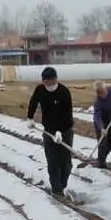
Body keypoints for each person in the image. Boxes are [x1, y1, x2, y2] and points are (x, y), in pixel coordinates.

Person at [25, 66, 75, 195]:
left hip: (65, 131)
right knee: (53, 162)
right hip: (49, 131)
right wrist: (30, 117)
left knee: (66, 164)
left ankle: (63, 185)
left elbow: (67, 113)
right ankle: (57, 191)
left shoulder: (64, 92)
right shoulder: (40, 90)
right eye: (45, 82)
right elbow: (33, 102)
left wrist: (60, 131)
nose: (48, 84)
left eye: (50, 82)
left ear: (55, 80)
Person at [90, 81, 111, 168]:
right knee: (102, 143)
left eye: (104, 92)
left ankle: (101, 159)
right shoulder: (97, 102)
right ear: (98, 94)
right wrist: (101, 128)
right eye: (101, 94)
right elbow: (97, 117)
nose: (104, 95)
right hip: (101, 123)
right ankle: (101, 165)